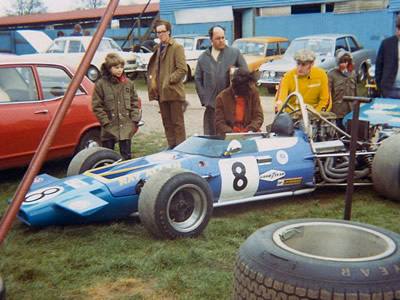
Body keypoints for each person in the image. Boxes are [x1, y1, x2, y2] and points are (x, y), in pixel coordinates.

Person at [195, 25, 248, 135]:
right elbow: (198, 79)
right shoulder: (203, 58)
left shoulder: (235, 53)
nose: (221, 41)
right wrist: (205, 99)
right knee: (211, 136)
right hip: (211, 107)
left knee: (229, 137)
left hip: (230, 106)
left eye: (223, 38)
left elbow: (246, 74)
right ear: (211, 39)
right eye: (217, 38)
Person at [147, 19, 187, 150]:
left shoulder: (177, 47)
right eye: (158, 32)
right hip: (161, 92)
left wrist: (169, 80)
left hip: (173, 91)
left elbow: (182, 69)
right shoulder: (158, 48)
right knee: (167, 122)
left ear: (168, 31)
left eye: (163, 32)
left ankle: (181, 147)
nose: (160, 35)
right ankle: (171, 145)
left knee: (177, 123)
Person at [92, 53, 140, 160]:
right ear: (109, 68)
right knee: (108, 157)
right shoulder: (101, 85)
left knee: (126, 157)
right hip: (109, 127)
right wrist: (106, 122)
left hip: (126, 126)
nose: (119, 70)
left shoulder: (128, 84)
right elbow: (97, 106)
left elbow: (135, 103)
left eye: (121, 67)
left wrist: (134, 120)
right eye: (116, 67)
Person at [215, 68, 264, 135]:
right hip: (229, 133)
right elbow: (219, 122)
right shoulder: (221, 98)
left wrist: (251, 129)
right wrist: (230, 133)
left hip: (250, 132)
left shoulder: (253, 92)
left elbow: (258, 116)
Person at [328, 50, 357, 130]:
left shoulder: (352, 73)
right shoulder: (331, 75)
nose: (344, 64)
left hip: (350, 110)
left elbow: (355, 92)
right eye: (341, 62)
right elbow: (329, 94)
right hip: (337, 111)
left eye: (346, 62)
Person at [375, 15, 400, 98]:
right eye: (398, 28)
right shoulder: (386, 44)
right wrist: (381, 87)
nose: (399, 32)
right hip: (389, 91)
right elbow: (379, 67)